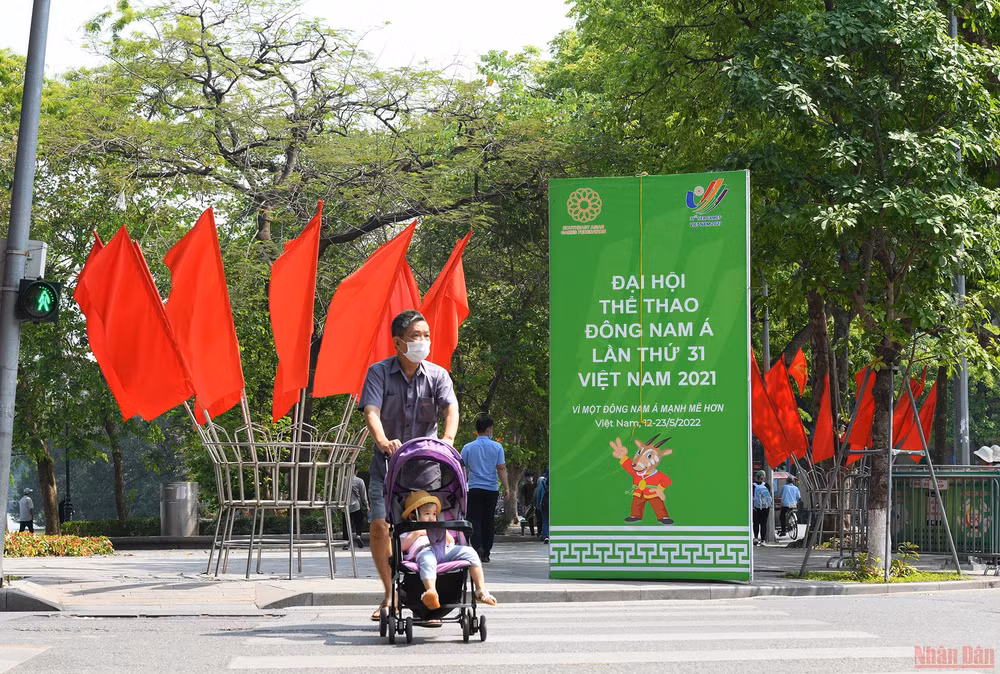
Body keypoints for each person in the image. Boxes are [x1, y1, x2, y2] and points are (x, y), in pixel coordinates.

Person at [361, 309, 459, 622]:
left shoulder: (437, 375)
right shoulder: (379, 372)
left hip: (426, 469)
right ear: (398, 342)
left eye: (426, 336)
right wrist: (382, 440)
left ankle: (425, 600)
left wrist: (448, 438)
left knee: (425, 533)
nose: (423, 342)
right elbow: (372, 411)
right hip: (387, 467)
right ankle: (390, 595)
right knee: (381, 527)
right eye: (416, 336)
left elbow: (451, 408)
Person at [399, 490, 497, 609]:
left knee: (471, 552)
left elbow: (451, 542)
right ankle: (431, 592)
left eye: (434, 514)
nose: (432, 518)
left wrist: (442, 531)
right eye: (427, 513)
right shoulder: (408, 531)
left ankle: (480, 590)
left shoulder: (437, 527)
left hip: (444, 550)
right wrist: (417, 534)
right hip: (424, 552)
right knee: (427, 560)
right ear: (413, 516)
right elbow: (401, 547)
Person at [460, 416, 509, 563]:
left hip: (474, 488)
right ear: (488, 430)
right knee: (488, 520)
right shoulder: (497, 447)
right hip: (491, 489)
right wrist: (507, 487)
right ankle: (486, 552)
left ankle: (477, 548)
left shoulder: (467, 447)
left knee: (474, 519)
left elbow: (462, 468)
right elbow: (501, 468)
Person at [348, 474, 368, 548]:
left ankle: (346, 542)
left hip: (345, 505)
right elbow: (363, 494)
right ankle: (358, 535)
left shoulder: (342, 480)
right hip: (356, 505)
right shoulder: (359, 481)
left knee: (347, 524)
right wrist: (366, 504)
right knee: (358, 522)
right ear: (356, 471)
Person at [752, 470, 772, 545]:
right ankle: (763, 540)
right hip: (766, 507)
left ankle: (756, 538)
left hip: (756, 507)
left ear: (757, 477)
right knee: (764, 523)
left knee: (756, 522)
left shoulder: (753, 486)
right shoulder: (766, 485)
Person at [518, 471, 537, 537]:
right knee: (530, 518)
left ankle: (538, 532)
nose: (528, 478)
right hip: (529, 504)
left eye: (530, 477)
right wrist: (524, 505)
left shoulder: (535, 485)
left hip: (535, 503)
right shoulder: (525, 486)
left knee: (536, 517)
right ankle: (532, 533)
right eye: (527, 477)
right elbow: (523, 496)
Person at [535, 467, 549, 543]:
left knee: (545, 520)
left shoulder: (542, 482)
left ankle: (546, 536)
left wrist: (538, 504)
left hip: (544, 503)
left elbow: (539, 493)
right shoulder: (557, 480)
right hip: (554, 503)